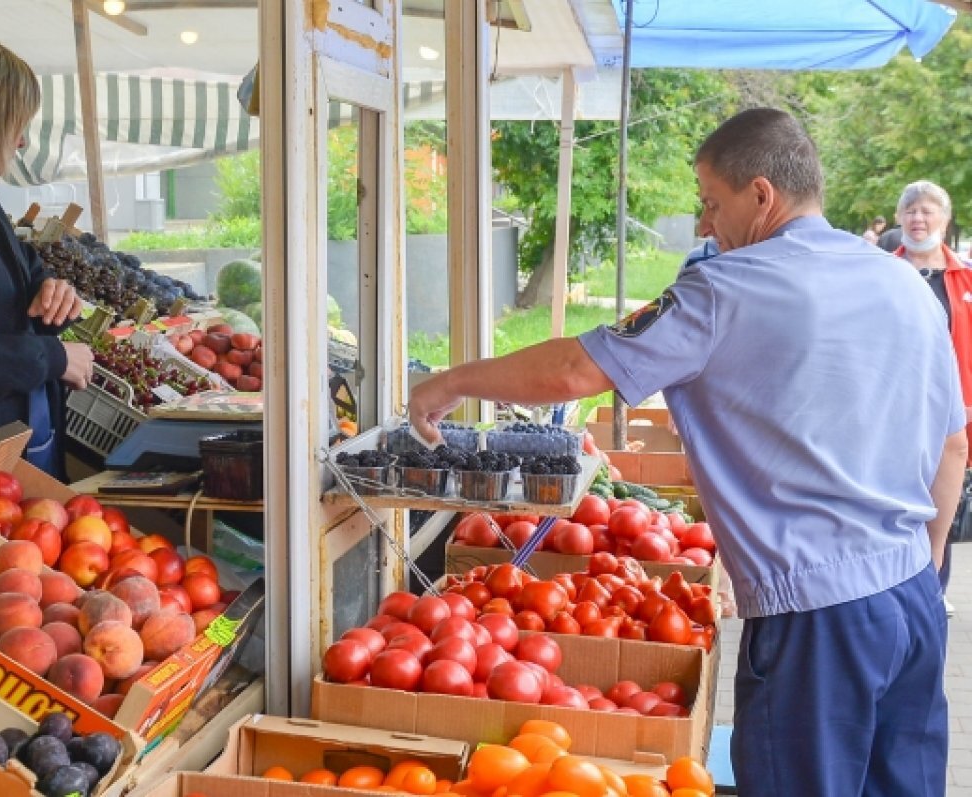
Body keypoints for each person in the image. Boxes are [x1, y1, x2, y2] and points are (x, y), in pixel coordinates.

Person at [408, 108, 966, 797]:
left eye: (710, 202)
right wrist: (929, 563)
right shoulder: (907, 287)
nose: (703, 224)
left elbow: (574, 374)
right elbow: (953, 444)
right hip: (910, 595)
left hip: (816, 618)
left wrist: (452, 380)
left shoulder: (725, 290)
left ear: (762, 195)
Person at [0, 35, 93, 479]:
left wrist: (47, 290)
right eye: (17, 124)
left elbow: (19, 268)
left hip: (11, 450)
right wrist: (54, 358)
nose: (21, 143)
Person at [892, 179, 972, 616]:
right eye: (911, 211)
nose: (918, 219)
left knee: (945, 495)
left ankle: (934, 589)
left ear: (944, 218)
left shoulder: (964, 278)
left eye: (927, 211)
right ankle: (898, 586)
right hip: (898, 410)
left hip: (955, 412)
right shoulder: (883, 270)